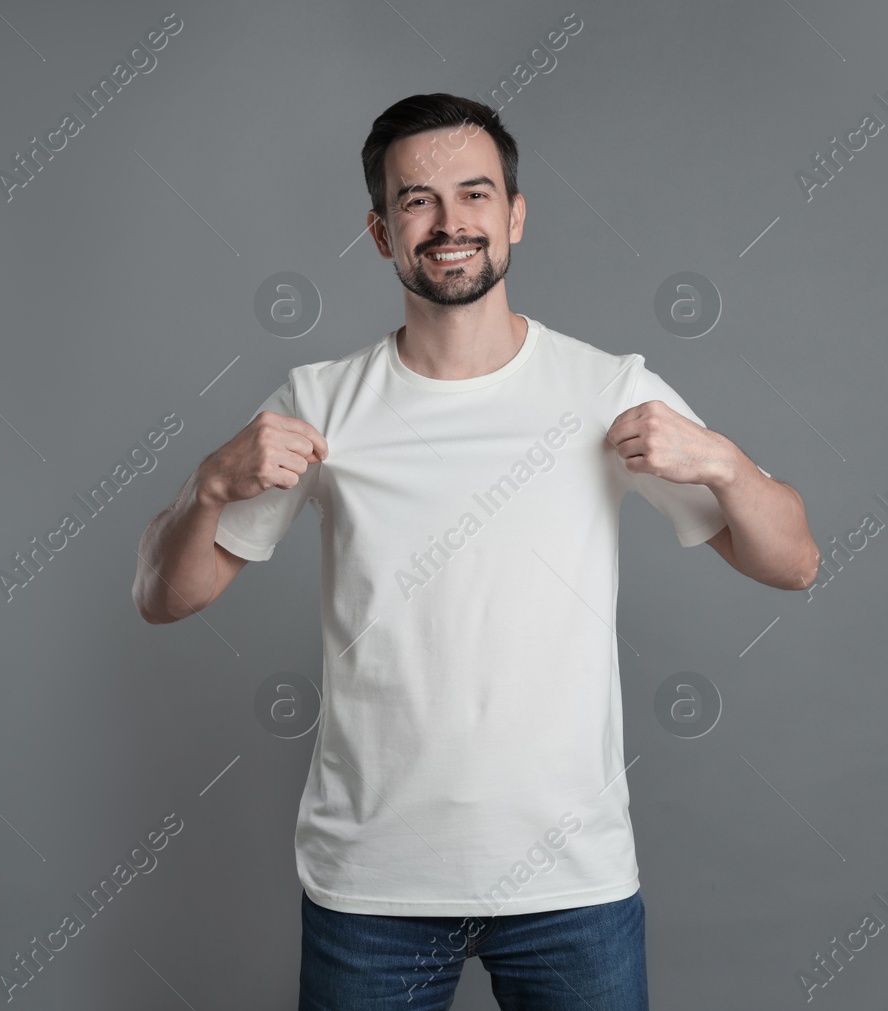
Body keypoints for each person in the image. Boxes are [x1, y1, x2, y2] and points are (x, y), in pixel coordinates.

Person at [132, 93, 820, 1010]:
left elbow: (795, 561)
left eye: (475, 194)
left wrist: (726, 463)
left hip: (570, 884)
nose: (450, 222)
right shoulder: (319, 400)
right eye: (417, 200)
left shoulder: (606, 389)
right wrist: (210, 483)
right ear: (380, 232)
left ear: (515, 215)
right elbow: (162, 595)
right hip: (371, 884)